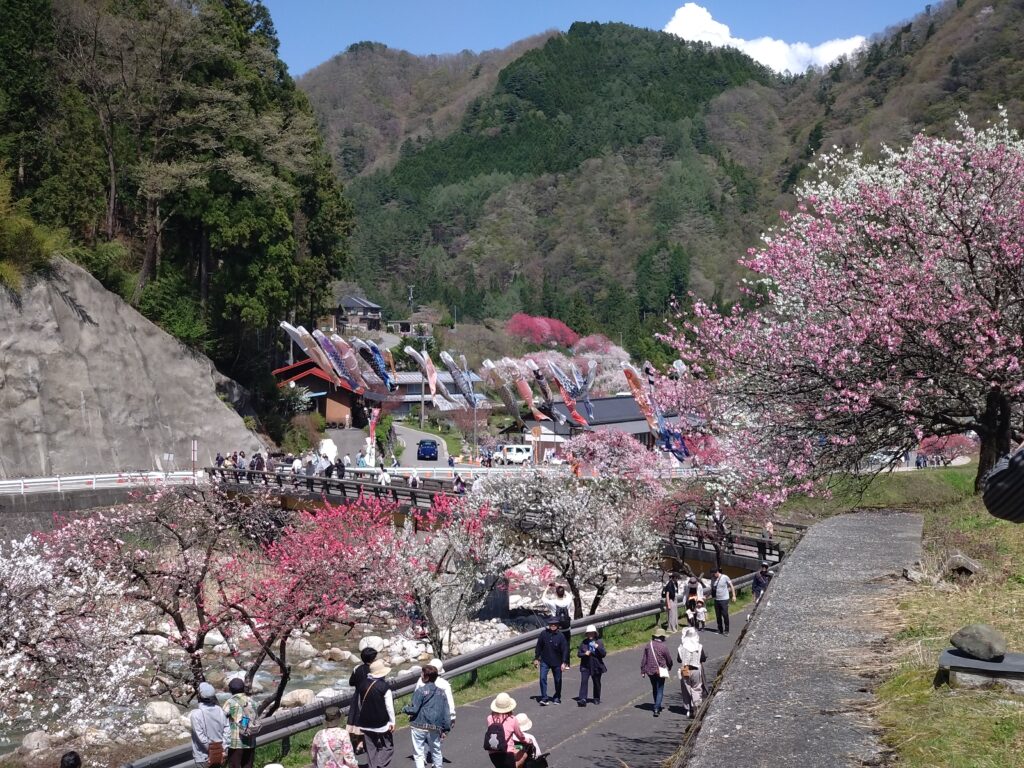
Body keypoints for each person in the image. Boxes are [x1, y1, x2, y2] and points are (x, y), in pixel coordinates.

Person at [402, 665, 451, 768]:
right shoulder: (442, 693)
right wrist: (446, 728)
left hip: (418, 725)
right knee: (436, 750)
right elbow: (446, 712)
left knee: (418, 753)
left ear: (426, 677)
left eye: (422, 673)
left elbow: (414, 709)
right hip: (435, 726)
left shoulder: (420, 691)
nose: (421, 675)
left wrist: (405, 709)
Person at [356, 658, 395, 768]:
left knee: (371, 748)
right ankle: (380, 765)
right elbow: (389, 707)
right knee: (388, 746)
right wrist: (392, 722)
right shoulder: (384, 687)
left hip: (365, 723)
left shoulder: (362, 684)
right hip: (381, 723)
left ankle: (373, 766)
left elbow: (360, 704)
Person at [347, 640, 384, 751]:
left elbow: (351, 682)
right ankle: (369, 742)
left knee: (358, 720)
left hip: (358, 697)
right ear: (372, 659)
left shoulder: (357, 669)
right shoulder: (376, 670)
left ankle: (359, 743)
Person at [485, 692, 528, 768]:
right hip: (507, 753)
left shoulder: (489, 718)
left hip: (493, 752)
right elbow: (520, 736)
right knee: (524, 755)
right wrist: (527, 741)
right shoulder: (512, 719)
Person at [190, 681, 228, 767]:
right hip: (221, 754)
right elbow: (227, 731)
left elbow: (201, 738)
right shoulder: (219, 710)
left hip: (203, 757)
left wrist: (213, 751)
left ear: (199, 695)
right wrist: (222, 749)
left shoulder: (196, 714)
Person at [533, 617, 569, 705]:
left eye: (555, 624)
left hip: (557, 662)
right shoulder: (544, 634)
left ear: (557, 625)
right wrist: (536, 658)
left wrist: (564, 662)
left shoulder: (561, 636)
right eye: (551, 624)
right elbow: (539, 647)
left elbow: (565, 650)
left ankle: (557, 697)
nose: (553, 626)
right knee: (542, 678)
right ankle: (544, 698)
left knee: (558, 680)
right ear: (549, 625)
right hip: (545, 661)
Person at [222, 677, 256, 768]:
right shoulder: (252, 701)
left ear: (230, 690)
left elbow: (222, 718)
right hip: (250, 741)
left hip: (236, 743)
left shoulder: (230, 702)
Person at [640, 628, 673, 717]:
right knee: (660, 688)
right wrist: (670, 666)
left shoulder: (648, 645)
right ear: (662, 637)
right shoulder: (663, 647)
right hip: (660, 671)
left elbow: (644, 659)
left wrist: (642, 670)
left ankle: (656, 704)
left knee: (654, 687)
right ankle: (656, 708)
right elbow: (668, 659)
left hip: (650, 670)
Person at [676, 627, 708, 719]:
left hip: (685, 670)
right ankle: (696, 705)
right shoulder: (699, 646)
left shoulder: (681, 647)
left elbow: (679, 659)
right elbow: (703, 658)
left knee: (686, 689)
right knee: (696, 688)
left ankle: (688, 709)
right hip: (696, 670)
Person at [415, 658, 456, 727]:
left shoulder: (421, 681)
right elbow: (449, 702)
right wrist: (452, 717)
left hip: (421, 719)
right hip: (437, 719)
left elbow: (415, 699)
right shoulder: (444, 684)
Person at [576, 624, 606, 707]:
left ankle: (596, 698)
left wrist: (598, 647)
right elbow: (579, 654)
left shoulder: (599, 642)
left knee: (596, 682)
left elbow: (603, 654)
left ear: (595, 634)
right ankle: (582, 699)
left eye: (592, 633)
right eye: (589, 633)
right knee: (584, 682)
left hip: (596, 665)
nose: (590, 635)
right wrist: (584, 654)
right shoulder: (584, 642)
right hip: (585, 666)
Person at [541, 584, 573, 648]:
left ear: (556, 593)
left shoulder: (552, 603)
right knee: (566, 646)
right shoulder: (568, 601)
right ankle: (566, 656)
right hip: (567, 628)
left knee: (557, 646)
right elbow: (569, 596)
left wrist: (547, 588)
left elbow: (543, 598)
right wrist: (559, 586)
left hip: (556, 629)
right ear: (563, 593)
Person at [709, 565, 737, 636]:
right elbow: (712, 589)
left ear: (717, 572)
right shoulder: (712, 579)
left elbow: (731, 586)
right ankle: (720, 629)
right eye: (712, 574)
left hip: (724, 599)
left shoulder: (725, 577)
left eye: (714, 573)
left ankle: (726, 630)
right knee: (718, 615)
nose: (713, 575)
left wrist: (733, 595)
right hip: (716, 599)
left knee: (725, 614)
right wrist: (706, 596)